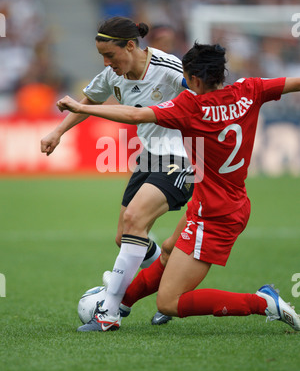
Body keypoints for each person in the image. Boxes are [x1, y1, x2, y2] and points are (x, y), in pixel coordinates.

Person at [57, 42, 300, 333]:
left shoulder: (192, 106)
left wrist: (81, 107)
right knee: (169, 250)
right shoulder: (250, 89)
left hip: (215, 215)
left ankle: (262, 303)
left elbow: (136, 116)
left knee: (169, 303)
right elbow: (293, 83)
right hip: (222, 199)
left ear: (195, 79)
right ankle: (120, 303)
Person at [41, 16, 194, 327]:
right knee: (125, 235)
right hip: (149, 157)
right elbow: (88, 100)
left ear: (130, 45)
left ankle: (109, 311)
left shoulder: (168, 68)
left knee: (134, 219)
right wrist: (58, 132)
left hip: (185, 156)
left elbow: (207, 91)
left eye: (110, 55)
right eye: (102, 57)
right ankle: (167, 287)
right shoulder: (113, 75)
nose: (107, 62)